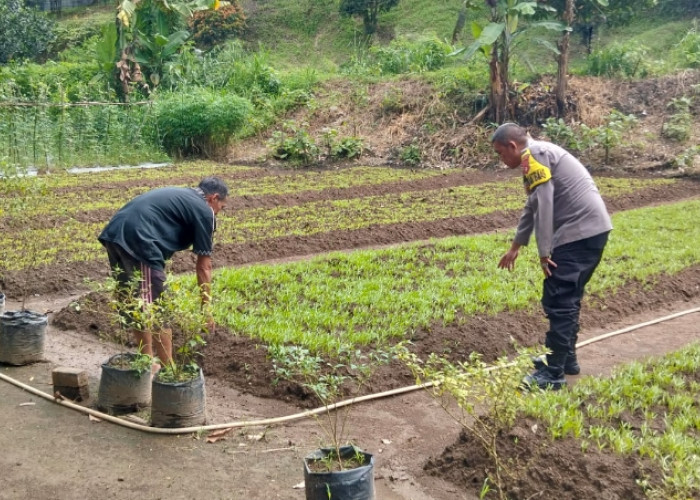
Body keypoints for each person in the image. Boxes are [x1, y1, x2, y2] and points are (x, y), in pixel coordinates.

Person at [493, 123, 612, 390]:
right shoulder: (538, 154)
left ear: (513, 146)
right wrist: (515, 246)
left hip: (578, 233)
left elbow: (545, 205)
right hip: (593, 230)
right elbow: (533, 204)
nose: (501, 160)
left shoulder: (534, 155)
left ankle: (553, 373)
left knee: (559, 298)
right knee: (569, 297)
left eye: (501, 154)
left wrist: (544, 252)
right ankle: (565, 358)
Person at [98, 176, 228, 366]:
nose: (218, 213)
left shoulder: (184, 197)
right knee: (158, 309)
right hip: (139, 239)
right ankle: (169, 372)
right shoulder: (204, 211)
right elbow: (204, 266)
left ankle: (147, 363)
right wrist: (206, 309)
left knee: (137, 304)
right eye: (221, 208)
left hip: (115, 233)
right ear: (213, 198)